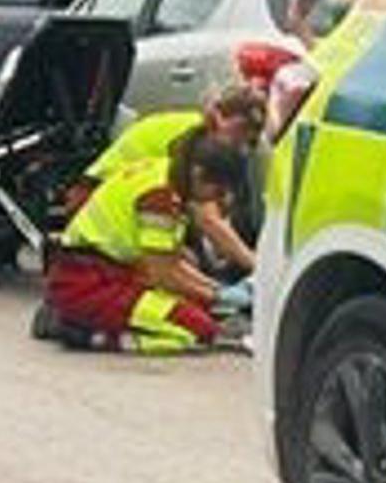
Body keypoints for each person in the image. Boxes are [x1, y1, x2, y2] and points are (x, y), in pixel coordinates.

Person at [43, 130, 253, 354]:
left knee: (199, 305)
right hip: (87, 283)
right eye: (218, 191)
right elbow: (162, 274)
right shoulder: (160, 198)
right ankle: (85, 334)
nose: (218, 200)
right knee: (197, 330)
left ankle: (75, 316)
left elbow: (171, 262)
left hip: (103, 273)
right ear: (198, 174)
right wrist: (218, 296)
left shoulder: (164, 171)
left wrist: (217, 290)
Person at [72, 84, 266, 275]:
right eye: (241, 129)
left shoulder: (199, 129)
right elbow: (207, 219)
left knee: (189, 262)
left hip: (119, 198)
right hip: (98, 206)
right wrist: (256, 267)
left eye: (251, 138)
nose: (242, 143)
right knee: (182, 267)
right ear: (219, 116)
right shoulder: (193, 139)